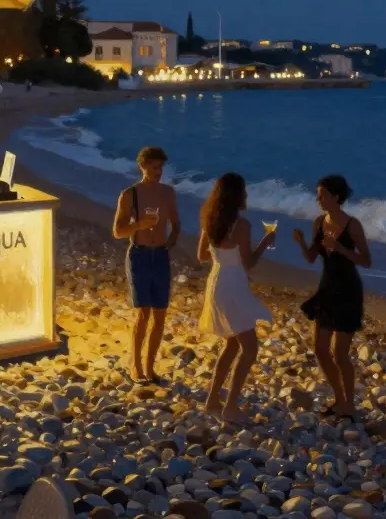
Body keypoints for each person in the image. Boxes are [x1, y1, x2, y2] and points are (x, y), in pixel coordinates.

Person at [197, 173, 275, 425]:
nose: (247, 196)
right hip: (232, 284)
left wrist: (223, 256)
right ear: (237, 196)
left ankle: (212, 401)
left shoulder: (209, 221)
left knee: (231, 344)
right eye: (244, 192)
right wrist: (265, 243)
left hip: (216, 280)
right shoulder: (241, 226)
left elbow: (201, 256)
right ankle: (230, 406)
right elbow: (249, 262)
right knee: (249, 347)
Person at [293, 175, 372, 420]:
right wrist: (300, 242)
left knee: (340, 354)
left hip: (348, 290)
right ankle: (339, 398)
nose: (318, 200)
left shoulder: (352, 225)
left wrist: (340, 249)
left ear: (336, 197)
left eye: (323, 195)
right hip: (327, 288)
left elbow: (366, 260)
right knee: (320, 349)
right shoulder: (318, 222)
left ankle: (349, 404)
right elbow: (310, 258)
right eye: (318, 195)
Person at [111, 146, 181, 384]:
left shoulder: (168, 193)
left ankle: (150, 368)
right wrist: (139, 225)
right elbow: (118, 231)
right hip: (139, 255)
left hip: (159, 255)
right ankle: (135, 365)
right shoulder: (130, 194)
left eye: (161, 167)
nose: (158, 172)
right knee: (143, 313)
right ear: (142, 167)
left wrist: (169, 244)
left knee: (160, 314)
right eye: (154, 167)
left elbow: (176, 224)